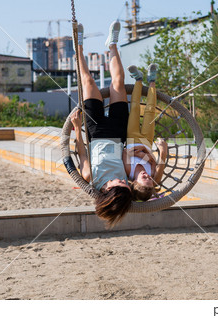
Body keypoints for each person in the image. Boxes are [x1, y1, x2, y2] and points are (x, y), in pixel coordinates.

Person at [71, 20, 132, 227]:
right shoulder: (126, 184)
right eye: (126, 184)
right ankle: (112, 45)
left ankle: (78, 46)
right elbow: (143, 188)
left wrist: (77, 128)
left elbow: (81, 152)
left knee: (88, 82)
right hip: (119, 130)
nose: (123, 181)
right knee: (118, 82)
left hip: (95, 132)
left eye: (120, 183)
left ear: (107, 189)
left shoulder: (91, 178)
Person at [124, 64, 168, 201]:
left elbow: (125, 152)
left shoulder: (128, 171)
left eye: (144, 178)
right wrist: (143, 151)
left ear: (135, 182)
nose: (147, 175)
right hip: (147, 140)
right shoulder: (152, 173)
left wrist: (144, 154)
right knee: (150, 111)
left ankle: (138, 80)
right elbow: (156, 164)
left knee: (135, 109)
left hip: (131, 138)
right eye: (149, 178)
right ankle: (152, 81)